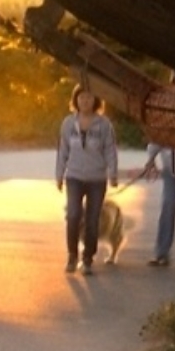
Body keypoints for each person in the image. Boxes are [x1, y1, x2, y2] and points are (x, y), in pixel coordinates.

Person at [59, 85, 122, 275]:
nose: (85, 101)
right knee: (73, 215)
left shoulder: (104, 125)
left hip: (97, 178)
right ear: (75, 100)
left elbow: (110, 149)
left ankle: (87, 259)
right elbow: (62, 150)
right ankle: (72, 256)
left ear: (95, 101)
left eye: (89, 98)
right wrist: (59, 174)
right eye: (81, 98)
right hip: (74, 177)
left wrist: (113, 173)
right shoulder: (68, 124)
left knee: (93, 220)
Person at [149, 138, 175, 268]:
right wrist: (151, 159)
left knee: (168, 205)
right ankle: (162, 253)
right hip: (171, 169)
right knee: (168, 206)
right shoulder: (169, 120)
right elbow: (156, 137)